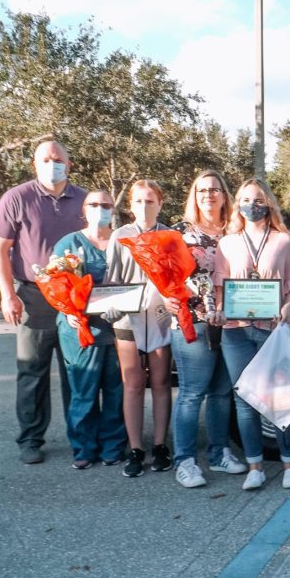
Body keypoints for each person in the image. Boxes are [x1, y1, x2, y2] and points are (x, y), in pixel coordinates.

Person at [0, 141, 87, 464]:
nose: (52, 164)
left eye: (58, 159)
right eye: (45, 159)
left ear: (69, 165)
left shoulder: (84, 201)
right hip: (33, 296)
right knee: (32, 370)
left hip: (76, 297)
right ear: (35, 164)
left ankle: (82, 437)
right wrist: (8, 294)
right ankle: (31, 438)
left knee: (77, 370)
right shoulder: (16, 199)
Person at [215, 179, 290, 490]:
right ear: (237, 205)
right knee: (245, 400)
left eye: (257, 199)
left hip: (274, 330)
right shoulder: (227, 243)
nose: (250, 205)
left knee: (281, 398)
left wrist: (287, 307)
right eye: (244, 199)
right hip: (237, 331)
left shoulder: (284, 241)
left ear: (267, 203)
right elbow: (220, 288)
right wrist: (218, 308)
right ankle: (255, 466)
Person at [167, 170, 243, 489]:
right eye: (202, 190)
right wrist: (166, 297)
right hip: (193, 321)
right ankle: (184, 461)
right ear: (193, 196)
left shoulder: (237, 231)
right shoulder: (179, 234)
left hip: (232, 321)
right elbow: (161, 274)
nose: (208, 195)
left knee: (222, 392)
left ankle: (218, 453)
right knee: (192, 393)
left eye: (215, 190)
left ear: (225, 195)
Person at [52, 190, 126, 469]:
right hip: (80, 329)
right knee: (83, 390)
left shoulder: (122, 241)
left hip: (117, 327)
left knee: (115, 390)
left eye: (106, 205)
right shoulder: (68, 244)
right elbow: (54, 283)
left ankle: (113, 446)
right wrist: (67, 310)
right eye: (94, 204)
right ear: (84, 210)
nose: (100, 209)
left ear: (113, 210)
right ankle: (84, 447)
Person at [105, 180, 173, 478]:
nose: (144, 207)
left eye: (150, 201)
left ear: (160, 203)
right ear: (130, 205)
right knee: (132, 383)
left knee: (160, 382)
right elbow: (112, 278)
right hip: (127, 317)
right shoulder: (120, 236)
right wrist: (109, 303)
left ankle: (160, 445)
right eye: (138, 201)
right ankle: (136, 448)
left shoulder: (170, 235)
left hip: (160, 317)